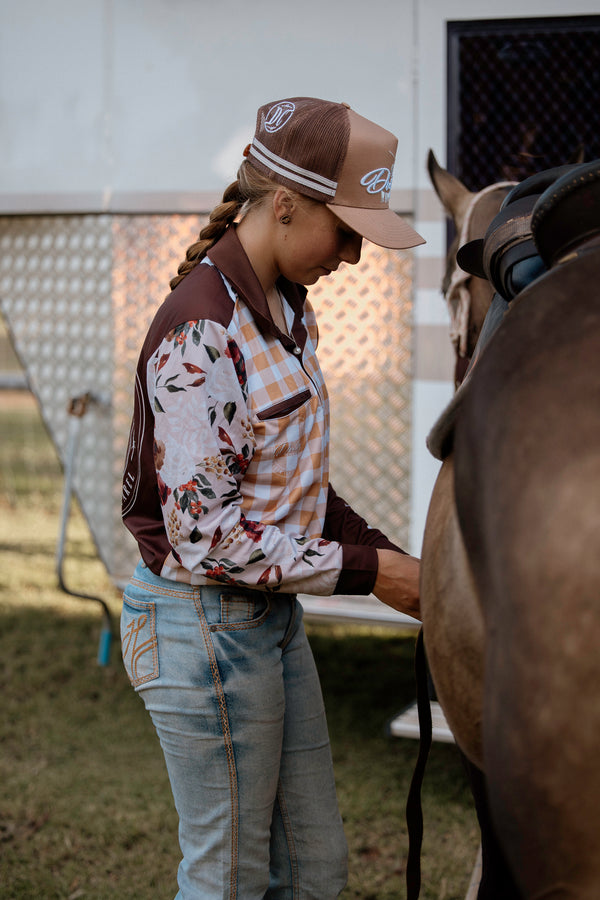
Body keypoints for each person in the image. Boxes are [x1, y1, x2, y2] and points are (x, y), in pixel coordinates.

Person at [120, 95, 423, 899]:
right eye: (347, 232)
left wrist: (401, 563)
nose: (354, 256)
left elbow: (296, 488)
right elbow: (207, 537)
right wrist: (371, 575)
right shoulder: (201, 332)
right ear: (285, 204)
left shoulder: (289, 310)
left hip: (267, 621)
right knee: (227, 878)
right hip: (201, 626)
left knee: (315, 868)